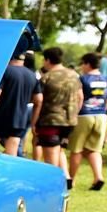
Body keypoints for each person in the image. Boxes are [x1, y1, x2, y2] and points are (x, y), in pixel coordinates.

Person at [35, 47, 82, 186]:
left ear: (47, 60)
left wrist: (34, 121)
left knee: (50, 157)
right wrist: (74, 113)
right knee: (58, 149)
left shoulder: (47, 77)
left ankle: (52, 184)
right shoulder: (74, 75)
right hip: (70, 121)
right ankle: (66, 177)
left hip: (50, 121)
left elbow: (39, 101)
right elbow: (81, 97)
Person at [0, 51, 42, 157]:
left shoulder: (6, 71)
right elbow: (39, 100)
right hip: (20, 120)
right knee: (12, 152)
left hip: (1, 118)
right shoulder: (32, 76)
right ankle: (8, 172)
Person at [71, 52, 107, 190]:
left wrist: (74, 115)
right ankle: (98, 177)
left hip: (84, 116)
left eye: (82, 63)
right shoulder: (106, 79)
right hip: (101, 115)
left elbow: (79, 98)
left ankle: (71, 180)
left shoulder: (83, 79)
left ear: (87, 63)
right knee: (95, 150)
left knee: (77, 150)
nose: (81, 66)